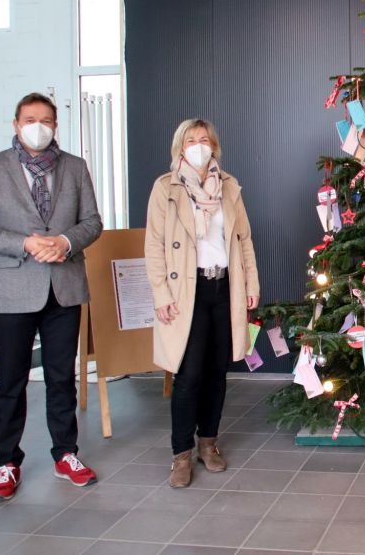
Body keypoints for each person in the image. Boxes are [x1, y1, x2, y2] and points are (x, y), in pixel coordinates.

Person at [0, 92, 103, 502]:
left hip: (64, 287)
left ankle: (66, 454)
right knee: (11, 381)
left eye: (45, 120)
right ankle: (6, 461)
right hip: (12, 291)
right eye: (29, 119)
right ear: (15, 124)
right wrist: (25, 242)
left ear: (56, 126)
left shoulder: (74, 168)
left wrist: (63, 240)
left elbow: (92, 222)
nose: (37, 126)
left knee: (62, 378)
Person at [145, 118, 260, 488]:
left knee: (216, 373)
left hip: (224, 287)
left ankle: (208, 444)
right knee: (188, 374)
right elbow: (154, 246)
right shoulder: (166, 188)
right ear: (180, 147)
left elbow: (243, 240)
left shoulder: (229, 187)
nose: (199, 144)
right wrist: (161, 293)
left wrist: (251, 286)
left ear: (214, 145)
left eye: (204, 139)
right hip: (185, 292)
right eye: (191, 139)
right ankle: (181, 454)